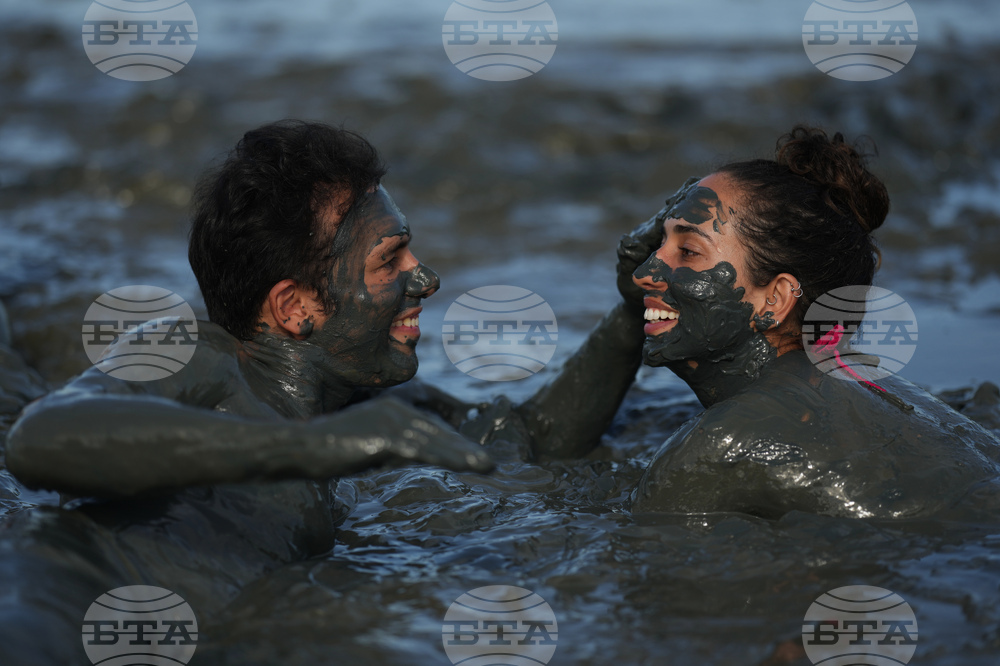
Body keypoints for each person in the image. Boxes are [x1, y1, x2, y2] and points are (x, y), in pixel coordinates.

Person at [0, 120, 648, 664]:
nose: (427, 277)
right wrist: (314, 446)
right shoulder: (204, 356)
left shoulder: (368, 407)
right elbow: (40, 439)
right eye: (391, 259)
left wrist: (629, 318)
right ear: (297, 306)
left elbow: (530, 440)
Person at [612, 126, 1000, 519]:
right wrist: (638, 306)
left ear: (775, 299)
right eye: (659, 244)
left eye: (689, 251)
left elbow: (555, 449)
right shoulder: (878, 386)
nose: (644, 270)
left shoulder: (722, 443)